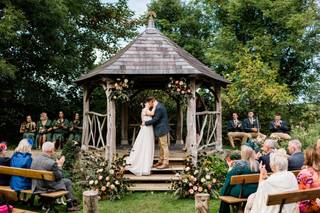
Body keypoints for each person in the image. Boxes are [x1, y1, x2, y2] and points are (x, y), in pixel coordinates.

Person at [245, 149, 299, 213]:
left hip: (274, 210)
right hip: (289, 209)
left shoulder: (268, 182)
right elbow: (278, 183)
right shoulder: (291, 176)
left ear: (273, 166)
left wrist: (261, 175)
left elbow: (259, 199)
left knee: (249, 203)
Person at [31, 142, 79, 211]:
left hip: (36, 186)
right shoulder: (52, 163)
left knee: (65, 181)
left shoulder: (35, 159)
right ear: (51, 151)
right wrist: (60, 165)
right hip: (46, 188)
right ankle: (70, 205)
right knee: (67, 181)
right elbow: (59, 177)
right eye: (54, 150)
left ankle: (72, 201)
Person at [219, 145, 259, 213]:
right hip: (255, 191)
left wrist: (223, 192)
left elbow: (230, 177)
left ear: (243, 154)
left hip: (242, 192)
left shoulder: (240, 165)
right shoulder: (257, 164)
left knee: (225, 192)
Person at [126, 101, 157, 176]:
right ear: (145, 104)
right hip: (146, 130)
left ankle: (146, 165)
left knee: (147, 145)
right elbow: (152, 114)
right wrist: (155, 106)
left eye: (150, 103)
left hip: (148, 129)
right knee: (145, 145)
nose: (150, 104)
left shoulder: (146, 110)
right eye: (148, 103)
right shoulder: (145, 110)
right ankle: (143, 166)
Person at [144, 96, 170, 169]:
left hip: (162, 129)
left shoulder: (159, 108)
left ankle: (165, 162)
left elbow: (156, 119)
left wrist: (146, 123)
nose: (149, 105)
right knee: (161, 146)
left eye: (149, 103)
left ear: (152, 101)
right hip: (160, 129)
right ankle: (160, 161)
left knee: (164, 146)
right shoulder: (159, 106)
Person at [296, 147, 320, 213]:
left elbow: (300, 195)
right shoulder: (316, 171)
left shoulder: (303, 173)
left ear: (306, 158)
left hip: (310, 207)